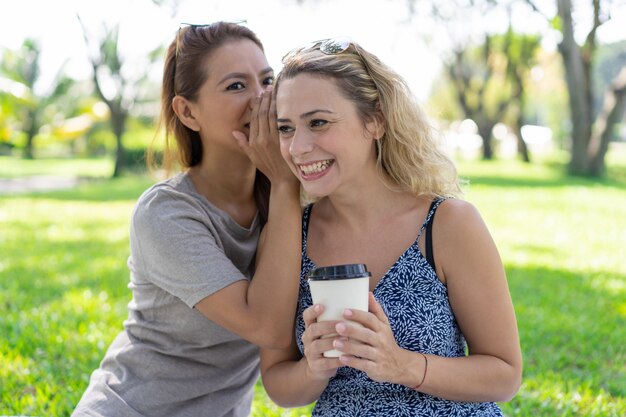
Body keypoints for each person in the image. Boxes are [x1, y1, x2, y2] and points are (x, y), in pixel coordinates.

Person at [259, 38, 523, 416]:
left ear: (375, 121)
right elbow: (279, 385)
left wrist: (402, 365)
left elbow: (505, 374)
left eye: (318, 122)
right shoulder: (288, 237)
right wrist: (313, 368)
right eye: (285, 128)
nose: (298, 147)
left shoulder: (447, 225)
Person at [72, 22, 301, 417]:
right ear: (187, 111)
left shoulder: (287, 201)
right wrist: (283, 184)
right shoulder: (165, 213)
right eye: (236, 86)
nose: (262, 99)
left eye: (268, 80)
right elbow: (265, 326)